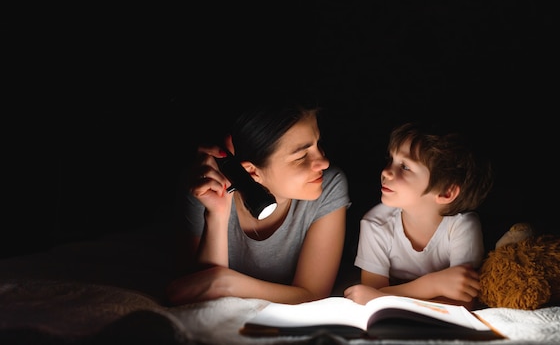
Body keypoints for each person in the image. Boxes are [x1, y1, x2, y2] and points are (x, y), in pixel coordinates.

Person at [166, 99, 351, 305]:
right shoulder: (204, 187)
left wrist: (227, 284)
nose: (324, 162)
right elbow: (193, 293)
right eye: (301, 156)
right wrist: (217, 215)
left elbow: (312, 295)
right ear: (252, 171)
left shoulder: (329, 185)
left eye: (319, 145)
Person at [344, 121, 494, 308]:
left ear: (446, 193)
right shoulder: (375, 224)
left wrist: (384, 295)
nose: (386, 171)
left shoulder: (462, 225)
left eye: (405, 167)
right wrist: (433, 285)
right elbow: (371, 296)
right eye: (391, 159)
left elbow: (462, 303)